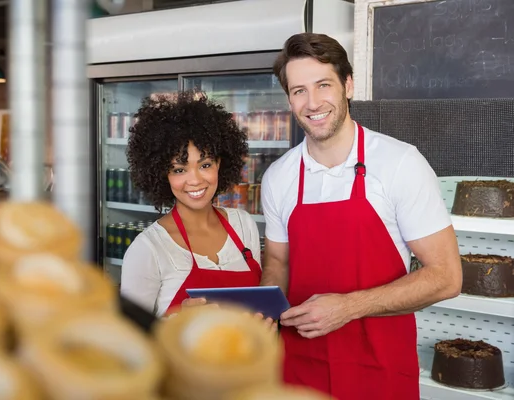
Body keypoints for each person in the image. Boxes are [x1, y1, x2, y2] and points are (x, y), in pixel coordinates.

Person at [260, 33, 463, 399]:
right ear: (289, 99)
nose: (312, 102)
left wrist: (349, 307)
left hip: (379, 370)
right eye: (299, 90)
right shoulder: (278, 177)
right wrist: (261, 310)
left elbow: (446, 277)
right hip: (299, 369)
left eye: (323, 85)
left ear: (348, 85)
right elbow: (277, 262)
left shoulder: (401, 164)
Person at [120, 91, 262, 318]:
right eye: (179, 169)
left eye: (205, 165)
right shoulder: (147, 249)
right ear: (161, 174)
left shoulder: (243, 225)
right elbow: (130, 341)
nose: (195, 180)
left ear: (220, 164)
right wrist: (175, 321)